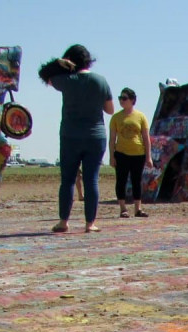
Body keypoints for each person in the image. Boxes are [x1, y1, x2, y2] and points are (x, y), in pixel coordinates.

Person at [40, 44, 114, 234]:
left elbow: (44, 75)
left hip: (70, 135)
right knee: (92, 180)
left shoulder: (67, 80)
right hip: (95, 136)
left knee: (68, 180)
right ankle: (90, 223)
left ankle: (63, 221)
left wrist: (58, 63)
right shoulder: (101, 81)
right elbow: (110, 109)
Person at [109, 87, 152, 218]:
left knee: (136, 181)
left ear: (132, 100)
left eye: (124, 98)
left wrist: (148, 157)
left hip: (138, 153)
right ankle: (123, 208)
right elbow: (112, 139)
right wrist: (111, 156)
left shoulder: (140, 116)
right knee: (121, 180)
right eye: (120, 98)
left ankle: (138, 208)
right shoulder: (116, 117)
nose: (121, 101)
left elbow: (146, 137)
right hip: (121, 153)